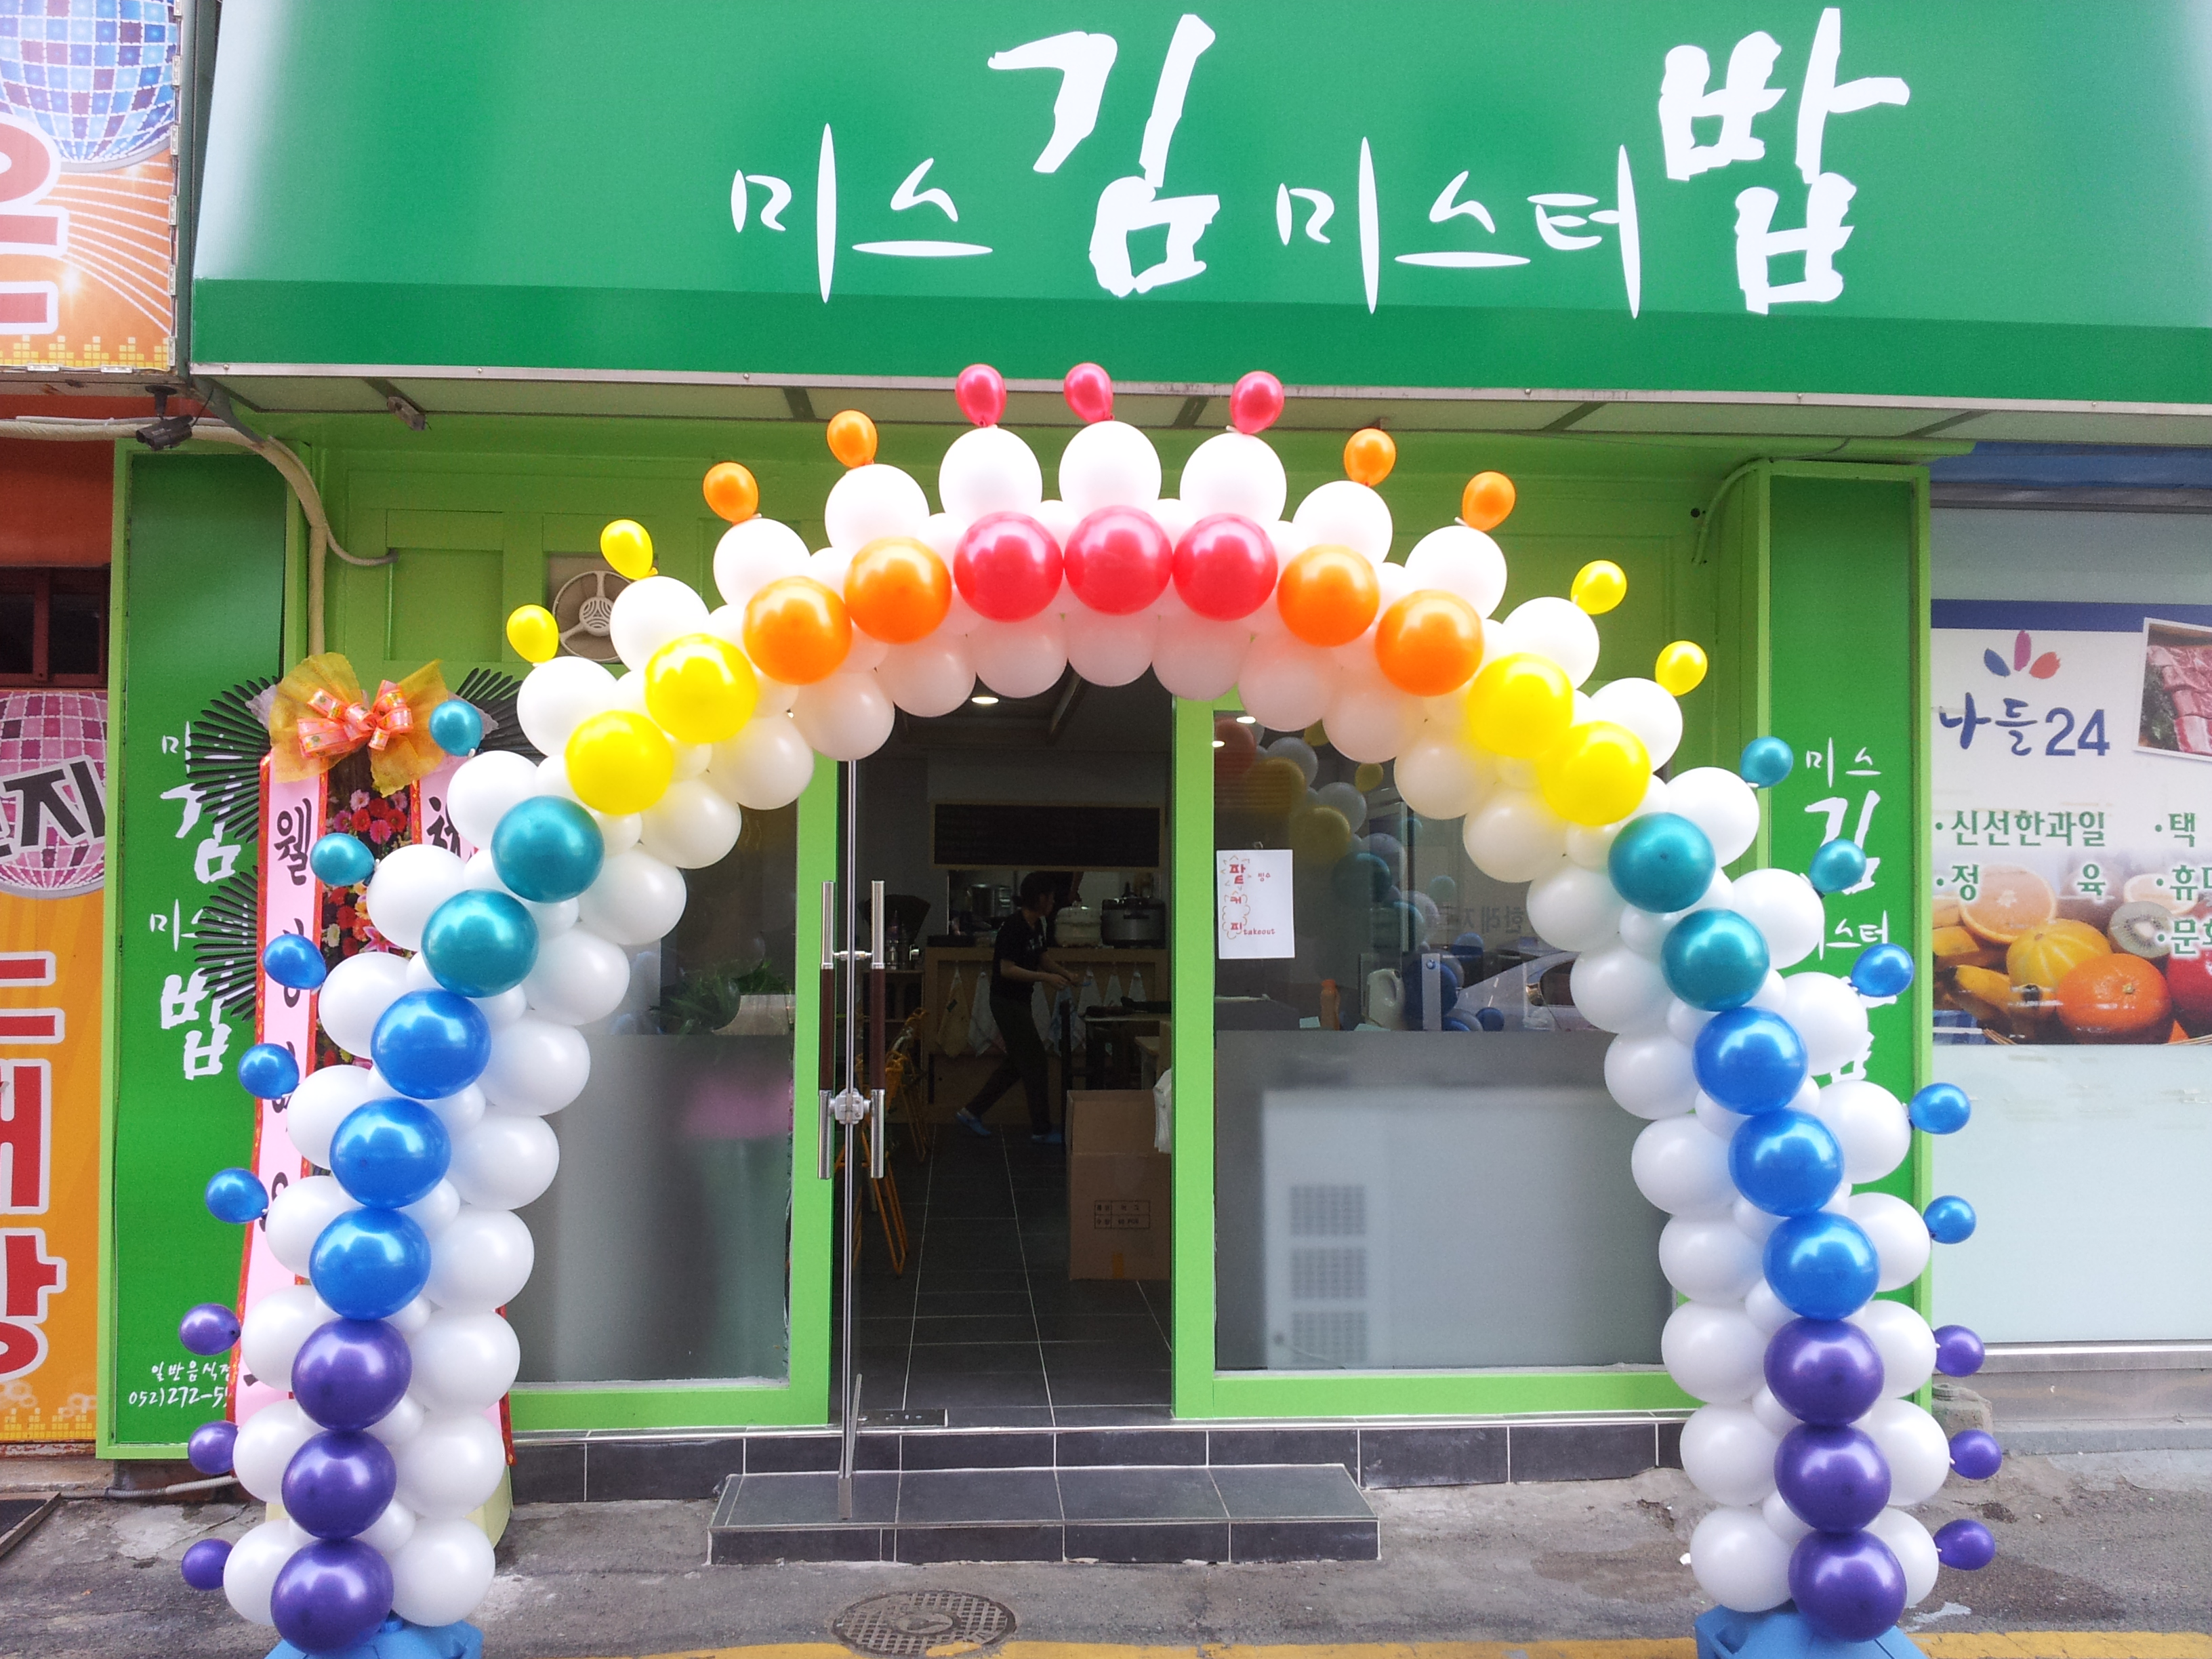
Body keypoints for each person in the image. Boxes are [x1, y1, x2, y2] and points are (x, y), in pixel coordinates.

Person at [956, 871, 1072, 1144]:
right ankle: (1041, 1130)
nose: (1053, 902)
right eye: (1051, 898)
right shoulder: (1013, 927)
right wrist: (1046, 978)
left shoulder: (1037, 925)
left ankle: (971, 1112)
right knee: (1036, 1060)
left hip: (1020, 1001)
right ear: (1040, 899)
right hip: (1006, 1002)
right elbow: (1007, 970)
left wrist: (1066, 974)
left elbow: (1043, 957)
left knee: (1019, 1063)